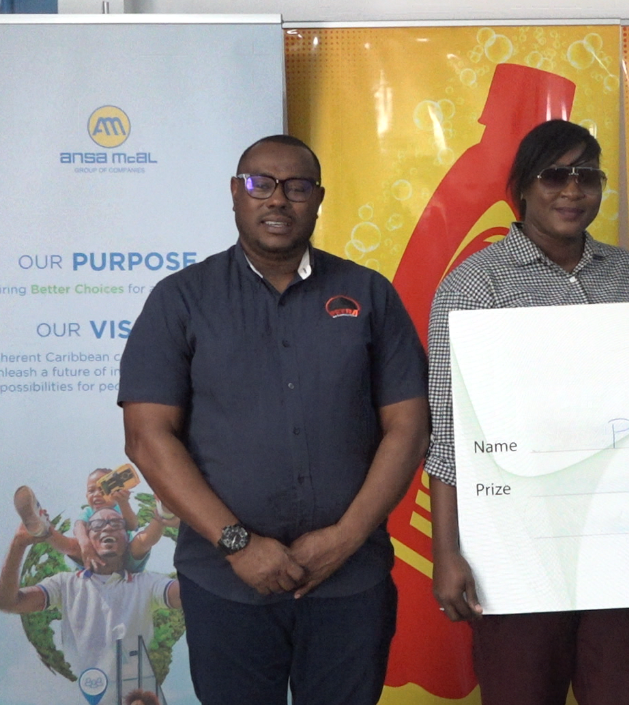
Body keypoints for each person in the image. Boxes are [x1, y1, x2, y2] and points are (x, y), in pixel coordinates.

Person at [116, 135, 431, 705]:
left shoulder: (368, 294)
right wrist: (237, 544)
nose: (278, 199)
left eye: (297, 186)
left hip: (350, 582)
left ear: (319, 199)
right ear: (236, 194)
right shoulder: (181, 299)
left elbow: (409, 428)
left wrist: (344, 539)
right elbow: (146, 436)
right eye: (260, 184)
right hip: (225, 583)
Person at [428, 119, 629, 705]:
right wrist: (446, 550)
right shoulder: (475, 286)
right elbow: (450, 430)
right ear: (522, 189)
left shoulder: (626, 273)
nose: (573, 190)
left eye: (588, 176)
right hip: (516, 544)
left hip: (620, 539)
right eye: (555, 176)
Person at [0, 508, 181, 679]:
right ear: (86, 539)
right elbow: (9, 602)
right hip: (80, 691)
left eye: (116, 524)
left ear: (127, 538)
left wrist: (189, 526)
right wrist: (18, 543)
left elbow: (187, 595)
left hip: (132, 691)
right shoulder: (64, 584)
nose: (107, 528)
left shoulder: (147, 584)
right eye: (97, 525)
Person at [14, 466, 169, 574]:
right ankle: (42, 528)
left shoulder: (119, 507)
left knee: (141, 542)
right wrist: (85, 544)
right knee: (72, 546)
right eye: (91, 490)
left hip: (126, 560)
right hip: (93, 559)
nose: (96, 495)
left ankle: (163, 511)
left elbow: (132, 525)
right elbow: (79, 526)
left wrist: (123, 503)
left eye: (103, 489)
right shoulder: (88, 512)